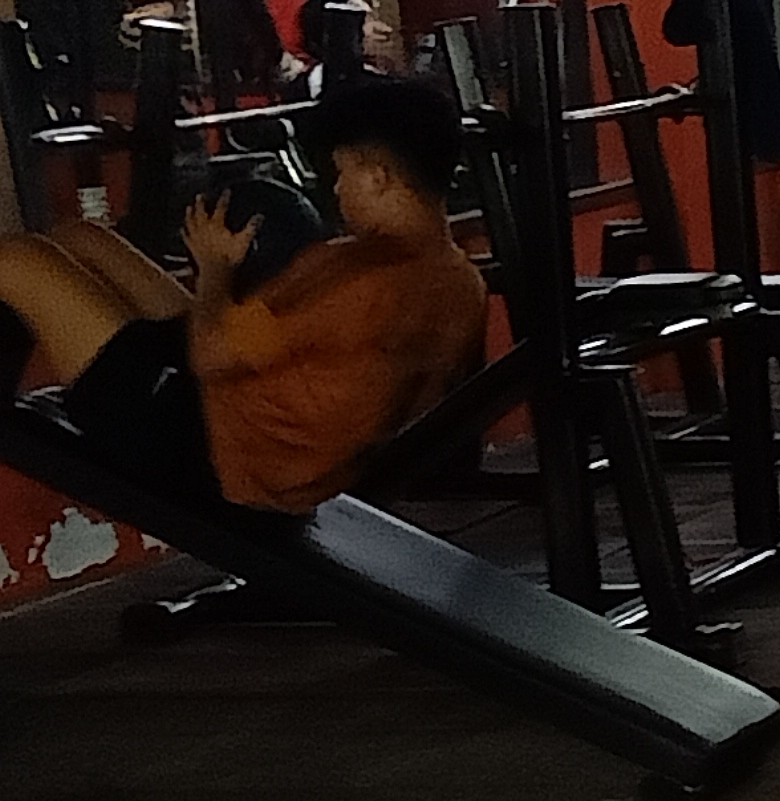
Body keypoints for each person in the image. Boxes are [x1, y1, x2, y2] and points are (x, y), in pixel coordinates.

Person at [0, 72, 486, 514]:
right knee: (81, 237)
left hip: (208, 449)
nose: (337, 190)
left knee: (15, 260)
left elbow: (210, 353)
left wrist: (214, 269)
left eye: (343, 174)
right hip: (253, 421)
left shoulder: (366, 280)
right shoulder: (460, 278)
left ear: (379, 178)